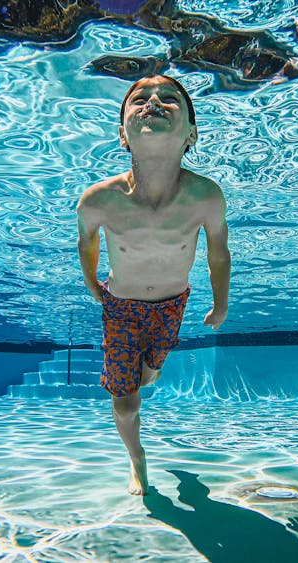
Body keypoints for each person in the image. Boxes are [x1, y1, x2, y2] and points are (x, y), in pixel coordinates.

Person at [76, 74, 231, 495]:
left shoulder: (206, 196)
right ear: (123, 134)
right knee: (127, 403)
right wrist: (92, 282)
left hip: (171, 305)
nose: (153, 103)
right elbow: (86, 242)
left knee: (148, 376)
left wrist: (222, 304)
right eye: (139, 98)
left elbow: (218, 253)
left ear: (191, 134)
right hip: (121, 307)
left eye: (169, 98)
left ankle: (150, 369)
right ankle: (137, 459)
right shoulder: (98, 199)